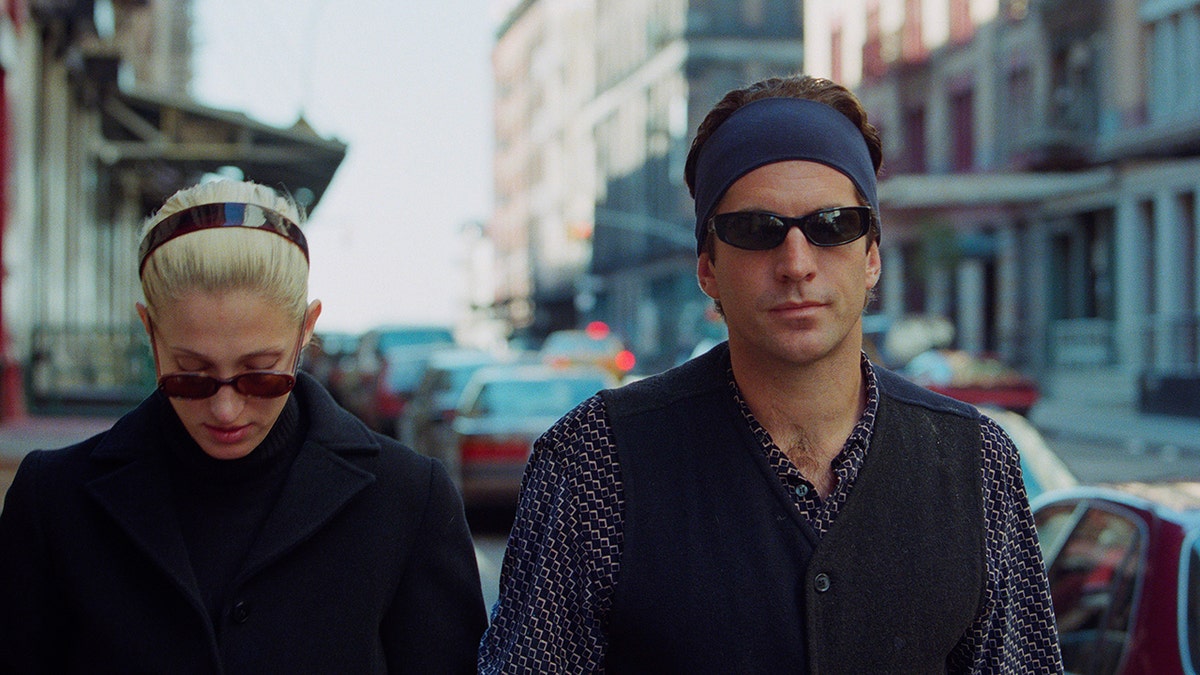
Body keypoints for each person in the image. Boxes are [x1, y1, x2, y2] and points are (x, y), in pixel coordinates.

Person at [479, 75, 1063, 673]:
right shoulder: (596, 460)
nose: (796, 264)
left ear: (871, 257)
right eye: (757, 231)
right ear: (708, 267)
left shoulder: (974, 459)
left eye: (832, 225)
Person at [0, 180, 487, 673]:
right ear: (149, 331)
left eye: (261, 374)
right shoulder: (54, 500)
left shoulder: (406, 499)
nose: (226, 409)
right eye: (191, 376)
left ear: (306, 330)